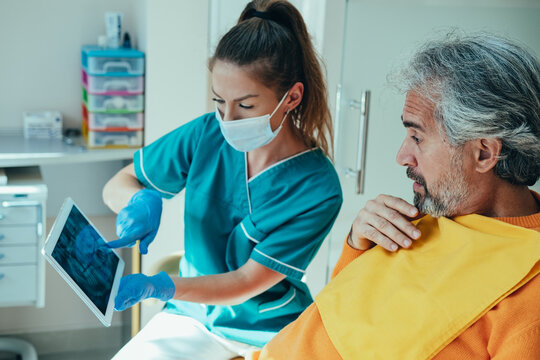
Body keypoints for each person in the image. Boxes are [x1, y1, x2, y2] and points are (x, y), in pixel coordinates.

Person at [250, 33, 540, 359]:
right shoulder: (440, 207)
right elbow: (342, 316)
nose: (402, 156)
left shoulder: (530, 296)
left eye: (417, 136)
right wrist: (357, 244)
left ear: (484, 153)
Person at [102, 1, 343, 359]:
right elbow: (116, 184)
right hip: (192, 315)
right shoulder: (206, 135)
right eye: (219, 101)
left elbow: (245, 283)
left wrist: (158, 286)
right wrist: (136, 201)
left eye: (245, 106)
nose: (227, 119)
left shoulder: (318, 189)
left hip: (267, 330)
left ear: (291, 97)